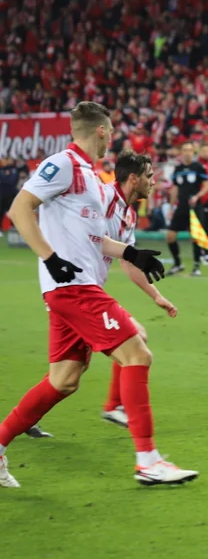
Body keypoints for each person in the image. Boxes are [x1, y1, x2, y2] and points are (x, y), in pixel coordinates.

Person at [0, 102, 196, 488]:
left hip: (75, 287)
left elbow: (92, 237)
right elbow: (20, 208)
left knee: (64, 379)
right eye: (112, 133)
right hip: (73, 287)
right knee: (137, 351)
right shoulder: (65, 164)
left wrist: (130, 252)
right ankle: (148, 461)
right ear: (103, 131)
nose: (113, 140)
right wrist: (50, 258)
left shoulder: (90, 176)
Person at [32, 150, 180, 436]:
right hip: (73, 288)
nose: (154, 182)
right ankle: (118, 413)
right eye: (150, 176)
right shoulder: (100, 197)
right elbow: (91, 236)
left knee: (65, 376)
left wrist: (155, 295)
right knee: (134, 341)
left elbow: (129, 260)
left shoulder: (129, 213)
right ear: (133, 178)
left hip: (86, 291)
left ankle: (24, 420)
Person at [166, 142, 208, 276]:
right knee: (170, 236)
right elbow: (175, 188)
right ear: (181, 152)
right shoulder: (178, 168)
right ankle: (177, 263)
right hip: (181, 207)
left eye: (190, 150)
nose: (187, 152)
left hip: (194, 207)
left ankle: (196, 266)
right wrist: (171, 207)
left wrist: (197, 196)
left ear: (193, 152)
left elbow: (207, 186)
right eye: (185, 150)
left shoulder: (199, 167)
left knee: (195, 237)